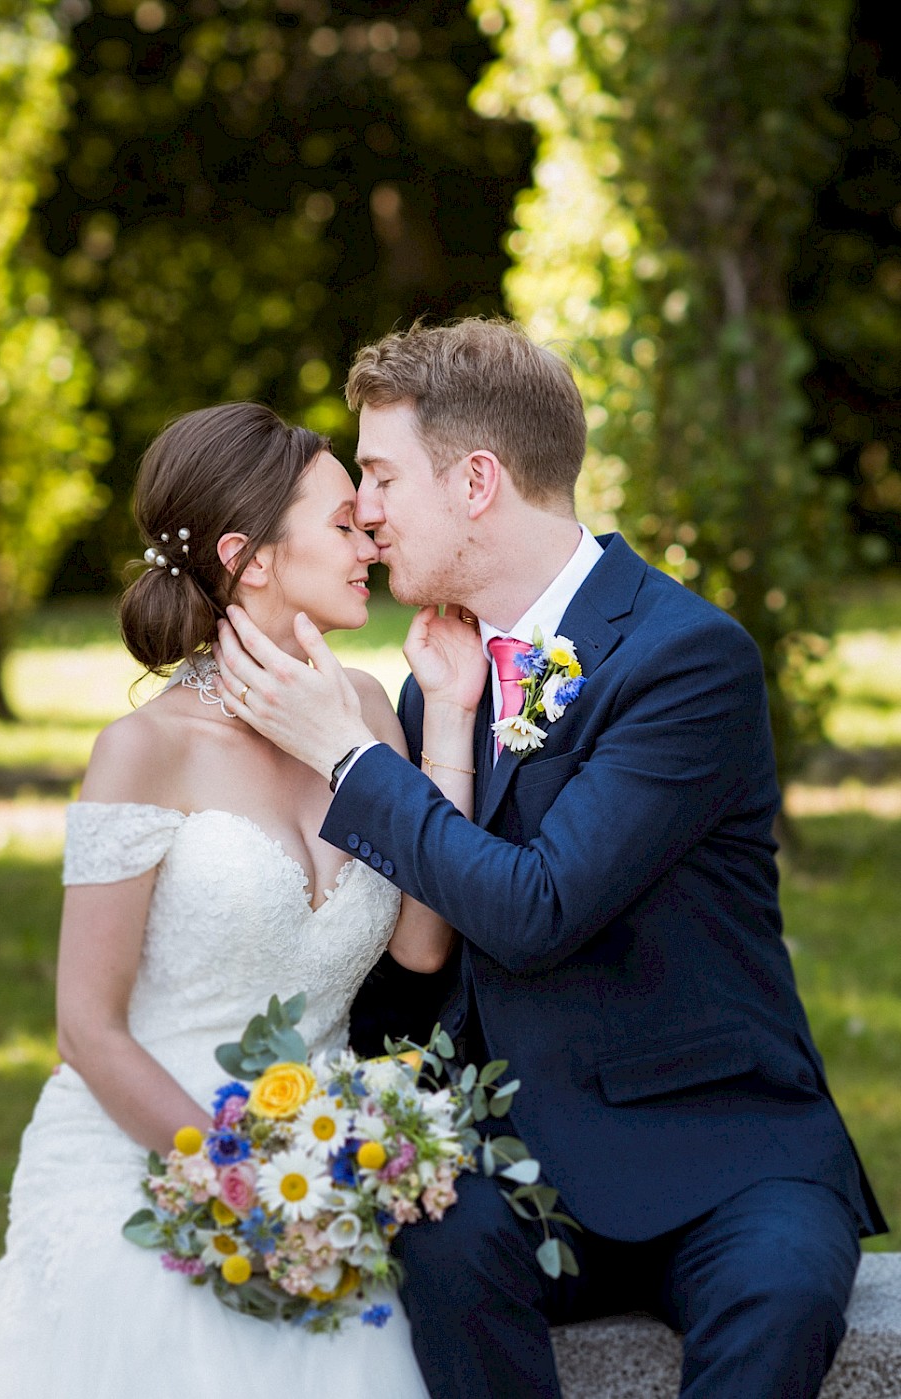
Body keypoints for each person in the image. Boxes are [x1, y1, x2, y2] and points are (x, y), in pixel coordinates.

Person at [210, 318, 887, 1399]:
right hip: (516, 1161)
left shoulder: (684, 659)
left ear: (476, 480)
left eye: (380, 476)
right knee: (431, 1235)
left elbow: (537, 907)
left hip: (723, 1153)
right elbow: (419, 961)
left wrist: (342, 758)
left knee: (778, 1306)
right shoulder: (439, 678)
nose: (365, 511)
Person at [0, 402, 483, 1399]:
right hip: (140, 1155)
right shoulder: (145, 748)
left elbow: (424, 946)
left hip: (324, 1172)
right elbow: (87, 1025)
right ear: (249, 557)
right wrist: (238, 1186)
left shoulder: (372, 712)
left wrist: (452, 726)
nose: (369, 539)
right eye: (343, 523)